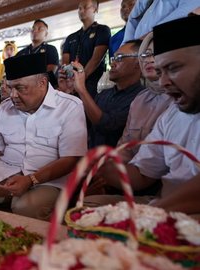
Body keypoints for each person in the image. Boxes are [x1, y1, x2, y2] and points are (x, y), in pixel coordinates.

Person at [85, 16, 200, 219]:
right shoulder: (171, 115)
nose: (163, 82)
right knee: (89, 208)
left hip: (183, 211)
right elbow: (142, 174)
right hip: (160, 206)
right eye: (159, 71)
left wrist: (152, 213)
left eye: (173, 69)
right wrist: (105, 168)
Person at [0, 53, 88, 220]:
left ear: (42, 83)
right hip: (4, 170)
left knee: (26, 208)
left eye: (20, 88)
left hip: (48, 180)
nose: (13, 95)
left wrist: (31, 179)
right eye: (10, 87)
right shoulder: (5, 108)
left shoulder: (70, 107)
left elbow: (70, 160)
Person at [71, 40, 143, 148]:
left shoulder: (141, 97)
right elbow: (84, 122)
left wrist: (81, 89)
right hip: (92, 157)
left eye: (119, 58)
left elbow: (106, 125)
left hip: (117, 161)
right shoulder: (104, 94)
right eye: (113, 58)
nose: (112, 64)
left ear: (138, 63)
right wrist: (68, 90)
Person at [117, 32, 172, 162]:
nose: (149, 59)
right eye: (146, 54)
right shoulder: (139, 100)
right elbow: (125, 146)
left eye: (156, 53)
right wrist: (113, 166)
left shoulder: (182, 98)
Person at [62, 0, 111, 98]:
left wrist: (80, 79)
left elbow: (96, 59)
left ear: (95, 9)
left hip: (94, 84)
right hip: (72, 84)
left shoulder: (102, 30)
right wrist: (69, 80)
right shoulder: (71, 37)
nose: (81, 11)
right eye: (79, 8)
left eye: (85, 7)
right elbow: (65, 62)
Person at [123, 0, 200, 43]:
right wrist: (127, 46)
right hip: (139, 51)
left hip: (166, 46)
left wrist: (145, 39)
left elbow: (183, 15)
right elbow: (132, 18)